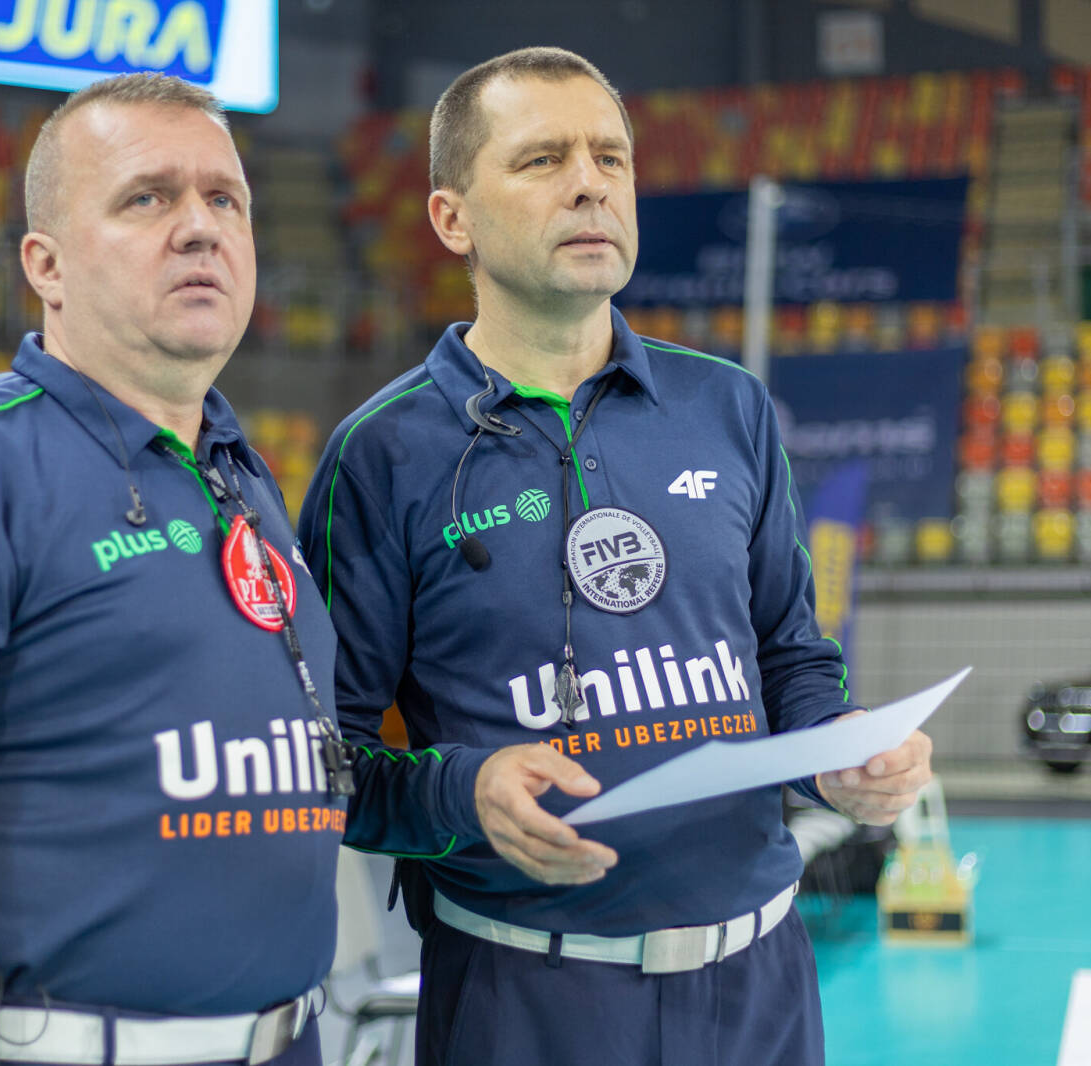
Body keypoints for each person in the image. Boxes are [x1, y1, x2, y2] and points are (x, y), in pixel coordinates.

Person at [298, 47, 933, 1065]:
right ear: (452, 218)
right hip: (526, 997)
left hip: (761, 986)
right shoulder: (382, 454)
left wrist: (840, 755)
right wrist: (465, 793)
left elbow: (791, 661)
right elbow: (325, 763)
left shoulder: (727, 406)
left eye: (611, 157)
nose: (590, 183)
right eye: (542, 159)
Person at [0, 74, 349, 1066]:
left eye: (225, 199)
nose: (200, 227)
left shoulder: (246, 479)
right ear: (44, 265)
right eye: (147, 197)